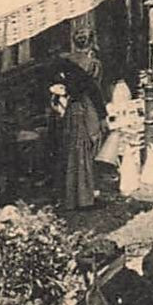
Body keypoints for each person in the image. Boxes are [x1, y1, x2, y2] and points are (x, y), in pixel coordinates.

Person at [50, 66, 104, 211]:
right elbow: (93, 123)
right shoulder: (81, 100)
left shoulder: (75, 103)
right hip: (79, 136)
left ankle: (73, 200)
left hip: (75, 135)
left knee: (73, 166)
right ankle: (83, 200)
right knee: (80, 166)